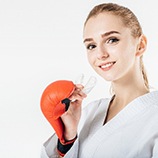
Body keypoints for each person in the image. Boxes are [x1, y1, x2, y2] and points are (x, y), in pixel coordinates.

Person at [40, 3, 158, 158]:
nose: (100, 54)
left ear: (140, 45)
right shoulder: (90, 112)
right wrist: (68, 137)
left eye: (112, 40)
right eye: (91, 46)